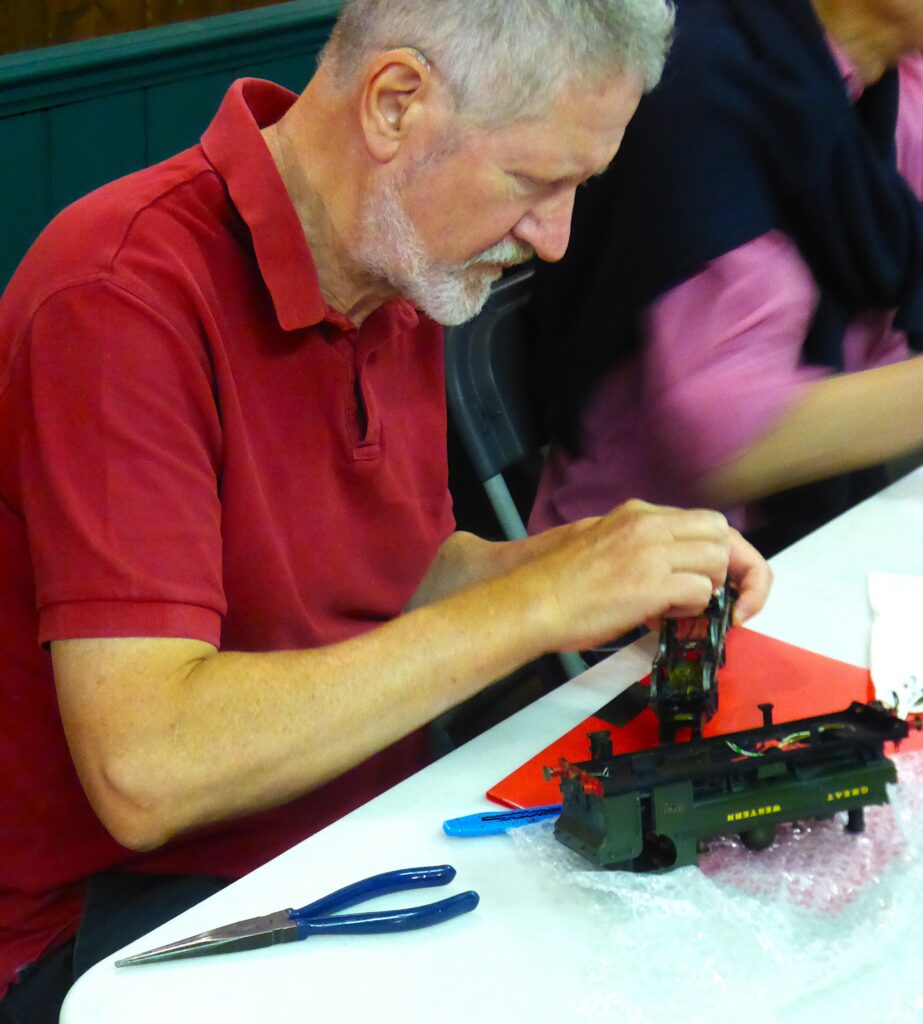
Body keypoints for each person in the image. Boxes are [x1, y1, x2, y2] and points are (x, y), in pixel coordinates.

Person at [0, 1, 771, 1019]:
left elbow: (398, 580)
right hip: (121, 934)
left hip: (359, 841)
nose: (553, 239)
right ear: (394, 104)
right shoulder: (117, 296)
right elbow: (147, 767)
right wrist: (533, 607)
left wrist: (594, 564)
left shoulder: (396, 260)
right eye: (535, 183)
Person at [528, 0, 923, 555]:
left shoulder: (885, 83)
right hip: (652, 589)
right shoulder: (700, 78)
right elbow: (721, 434)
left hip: (827, 539)